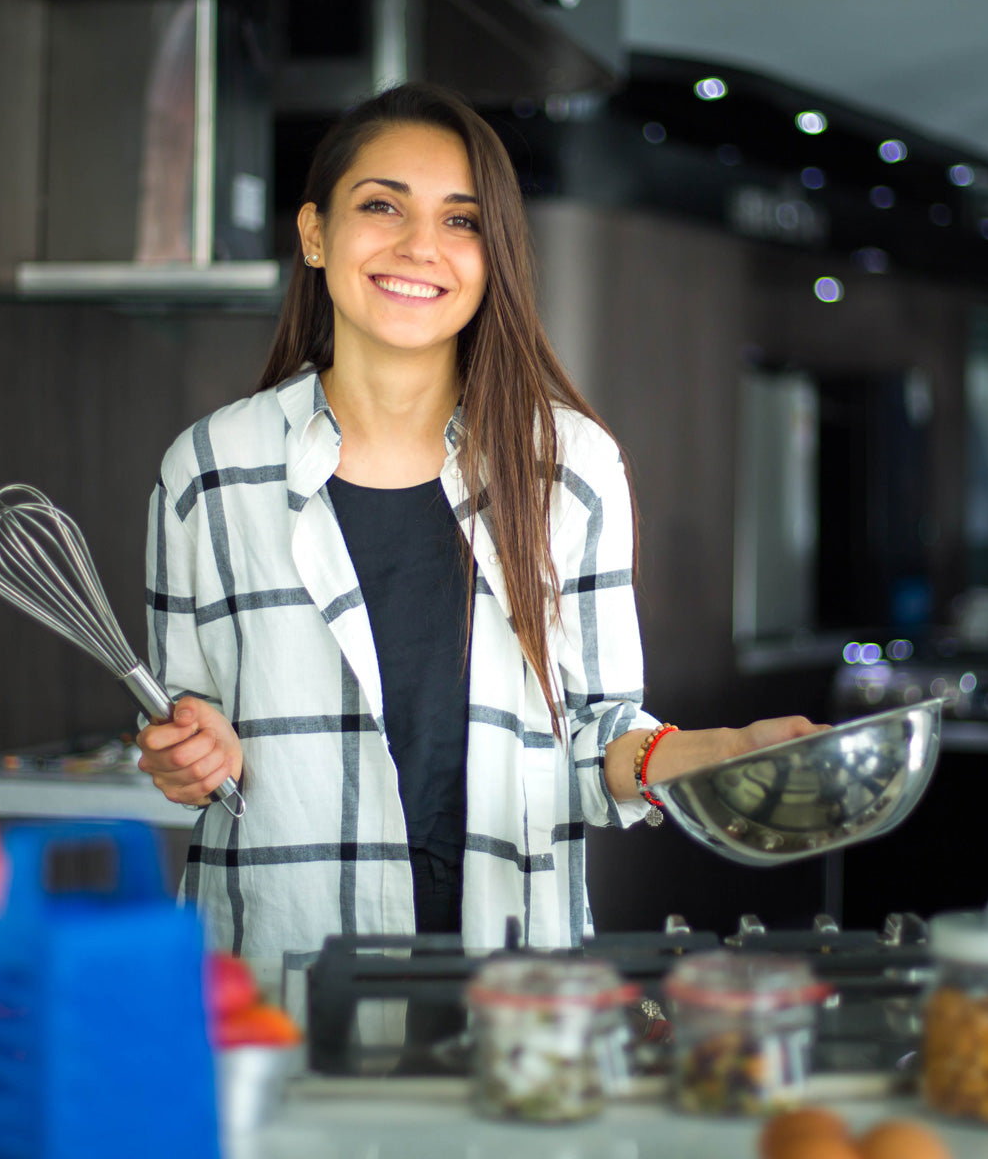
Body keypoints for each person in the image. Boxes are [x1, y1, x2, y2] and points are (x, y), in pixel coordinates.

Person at [137, 82, 823, 962]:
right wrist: (190, 753)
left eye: (462, 222)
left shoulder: (567, 467)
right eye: (381, 205)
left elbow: (595, 742)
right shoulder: (210, 471)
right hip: (284, 972)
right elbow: (190, 733)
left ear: (494, 254)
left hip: (514, 983)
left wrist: (721, 753)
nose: (421, 246)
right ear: (314, 233)